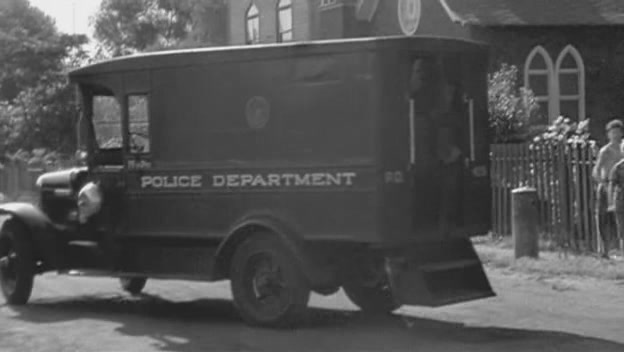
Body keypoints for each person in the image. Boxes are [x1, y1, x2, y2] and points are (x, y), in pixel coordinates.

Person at [593, 119, 624, 258]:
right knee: (603, 218)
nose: (615, 135)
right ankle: (603, 249)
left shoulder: (622, 149)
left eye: (617, 132)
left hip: (619, 186)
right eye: (612, 132)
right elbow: (596, 170)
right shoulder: (605, 151)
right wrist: (603, 184)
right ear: (608, 134)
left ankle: (617, 247)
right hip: (606, 185)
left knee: (619, 219)